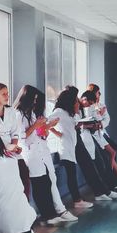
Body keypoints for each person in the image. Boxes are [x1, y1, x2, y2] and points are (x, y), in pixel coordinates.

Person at [14, 85, 78, 224]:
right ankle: (47, 215)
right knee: (39, 184)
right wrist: (37, 126)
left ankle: (52, 213)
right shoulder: (18, 115)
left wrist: (46, 128)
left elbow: (38, 135)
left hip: (41, 151)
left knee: (47, 182)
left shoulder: (30, 114)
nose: (35, 102)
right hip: (31, 154)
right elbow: (21, 137)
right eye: (34, 99)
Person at [49, 88, 117, 208]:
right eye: (75, 100)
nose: (78, 102)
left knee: (89, 166)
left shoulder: (69, 112)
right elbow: (48, 124)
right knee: (75, 172)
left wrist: (80, 124)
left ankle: (101, 191)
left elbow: (74, 124)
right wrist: (59, 134)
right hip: (68, 145)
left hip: (76, 141)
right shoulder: (59, 111)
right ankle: (79, 199)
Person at [0, 83, 30, 200]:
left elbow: (15, 132)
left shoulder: (11, 111)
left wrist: (14, 146)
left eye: (7, 93)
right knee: (9, 181)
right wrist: (7, 148)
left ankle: (24, 207)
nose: (7, 96)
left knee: (24, 172)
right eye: (4, 94)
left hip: (11, 150)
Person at [86, 84, 117, 188]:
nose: (99, 94)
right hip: (95, 135)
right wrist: (100, 115)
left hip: (101, 131)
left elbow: (107, 119)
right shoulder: (89, 105)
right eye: (98, 92)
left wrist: (101, 118)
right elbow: (92, 120)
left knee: (112, 154)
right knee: (111, 153)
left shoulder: (101, 105)